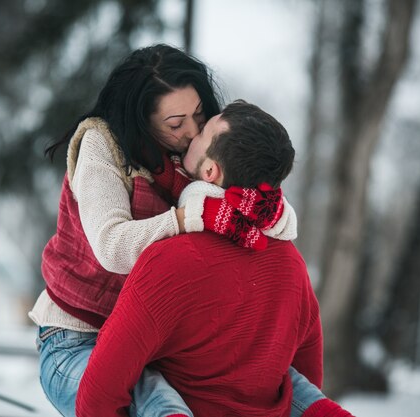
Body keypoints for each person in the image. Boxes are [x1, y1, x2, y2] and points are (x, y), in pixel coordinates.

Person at [30, 44, 330, 417]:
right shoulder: (102, 147)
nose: (192, 131)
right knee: (154, 402)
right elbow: (111, 246)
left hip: (157, 346)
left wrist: (273, 216)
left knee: (274, 388)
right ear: (141, 119)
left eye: (200, 116)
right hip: (81, 336)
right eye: (176, 124)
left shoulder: (191, 154)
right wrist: (186, 218)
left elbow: (236, 187)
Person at [75, 100, 353, 417]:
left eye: (203, 132)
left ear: (210, 171)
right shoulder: (292, 264)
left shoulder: (169, 261)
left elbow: (97, 396)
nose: (191, 135)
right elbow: (306, 371)